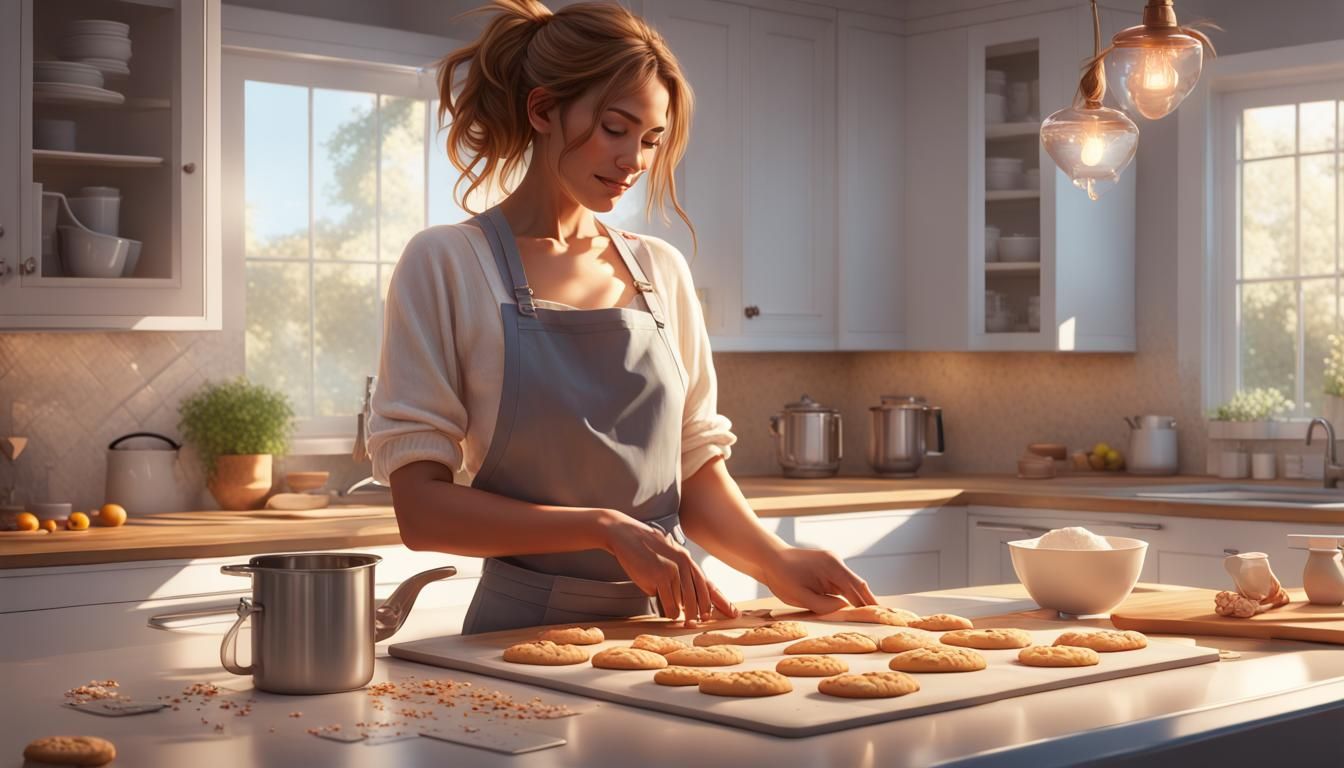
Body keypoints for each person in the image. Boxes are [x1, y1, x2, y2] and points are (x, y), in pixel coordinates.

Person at [368, 0, 876, 635]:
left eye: (651, 140)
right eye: (616, 128)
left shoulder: (661, 270)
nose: (635, 160)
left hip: (668, 629)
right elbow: (422, 514)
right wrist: (603, 529)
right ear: (542, 110)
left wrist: (778, 560)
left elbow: (695, 468)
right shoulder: (446, 262)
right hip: (518, 633)